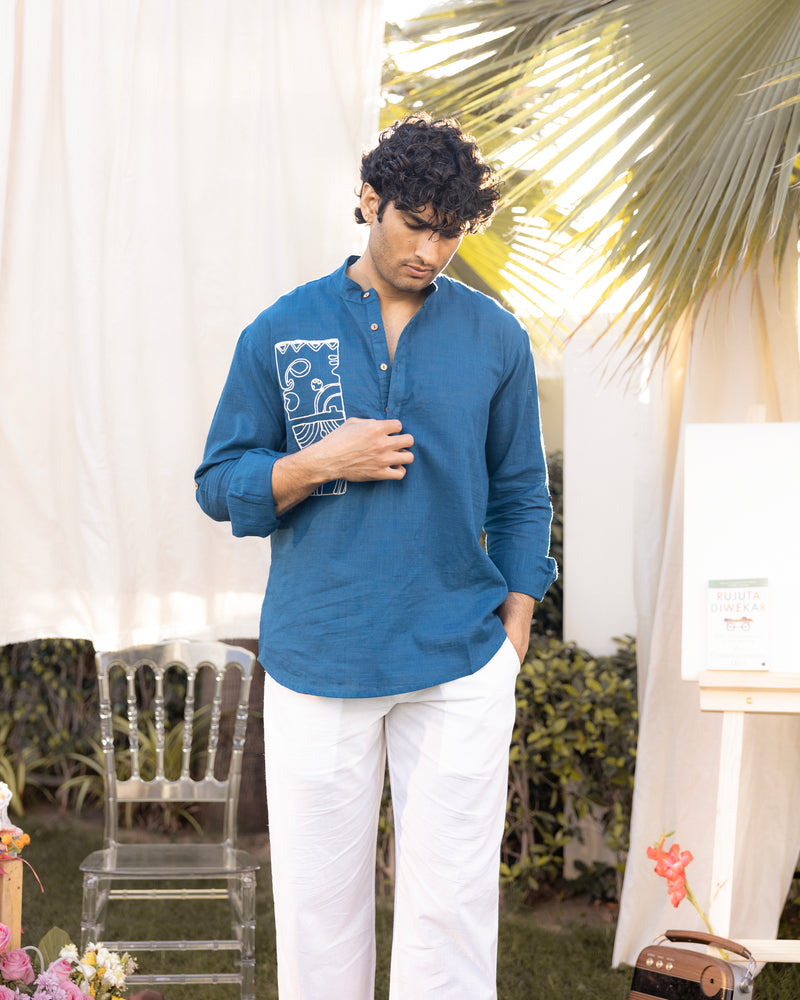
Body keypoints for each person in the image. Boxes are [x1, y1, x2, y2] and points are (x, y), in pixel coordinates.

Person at [194, 113, 558, 1000]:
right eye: (415, 222)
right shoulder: (281, 330)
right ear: (369, 200)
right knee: (320, 914)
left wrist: (514, 630)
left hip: (459, 662)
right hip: (319, 655)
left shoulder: (497, 340)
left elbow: (521, 496)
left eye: (450, 232)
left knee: (452, 915)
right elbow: (217, 480)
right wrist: (323, 460)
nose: (430, 250)